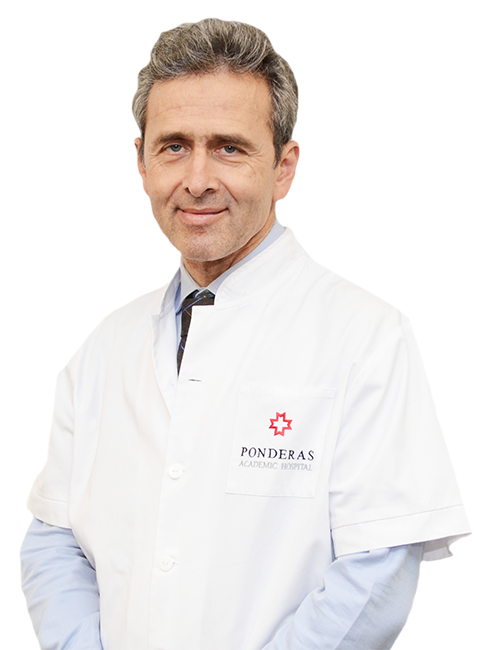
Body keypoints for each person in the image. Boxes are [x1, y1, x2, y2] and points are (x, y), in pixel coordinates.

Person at [20, 17, 470, 650]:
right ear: (142, 163)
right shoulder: (101, 353)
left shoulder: (366, 339)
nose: (197, 178)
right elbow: (55, 540)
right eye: (173, 146)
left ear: (284, 168)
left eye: (229, 148)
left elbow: (377, 576)